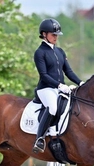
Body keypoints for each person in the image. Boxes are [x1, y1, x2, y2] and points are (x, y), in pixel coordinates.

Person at [32, 18, 84, 153]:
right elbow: (44, 75)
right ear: (44, 34)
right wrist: (60, 86)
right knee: (53, 108)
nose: (56, 37)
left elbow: (68, 71)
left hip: (59, 88)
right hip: (45, 88)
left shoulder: (60, 51)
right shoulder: (40, 52)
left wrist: (81, 83)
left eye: (57, 35)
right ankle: (40, 139)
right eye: (53, 34)